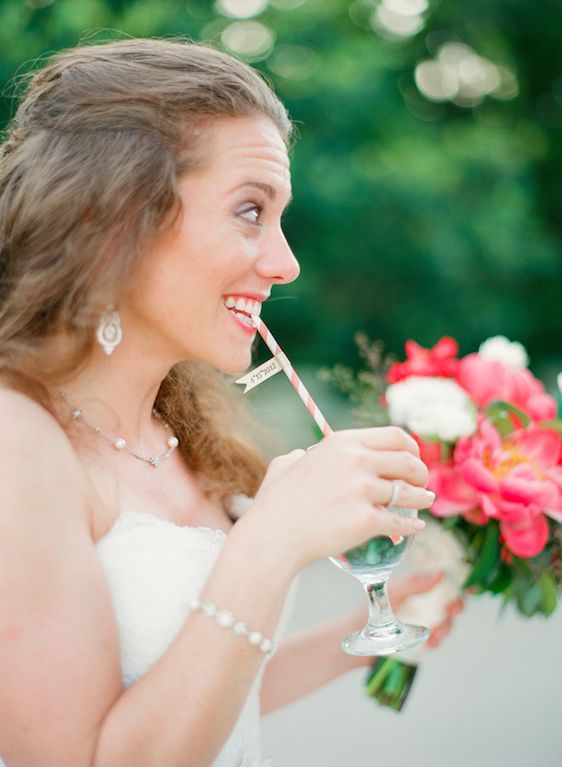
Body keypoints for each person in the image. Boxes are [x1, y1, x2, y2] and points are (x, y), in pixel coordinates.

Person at [0, 38, 453, 767]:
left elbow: (201, 691)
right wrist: (269, 542)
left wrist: (367, 642)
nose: (286, 262)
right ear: (110, 220)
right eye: (250, 210)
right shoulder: (16, 438)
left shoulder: (176, 433)